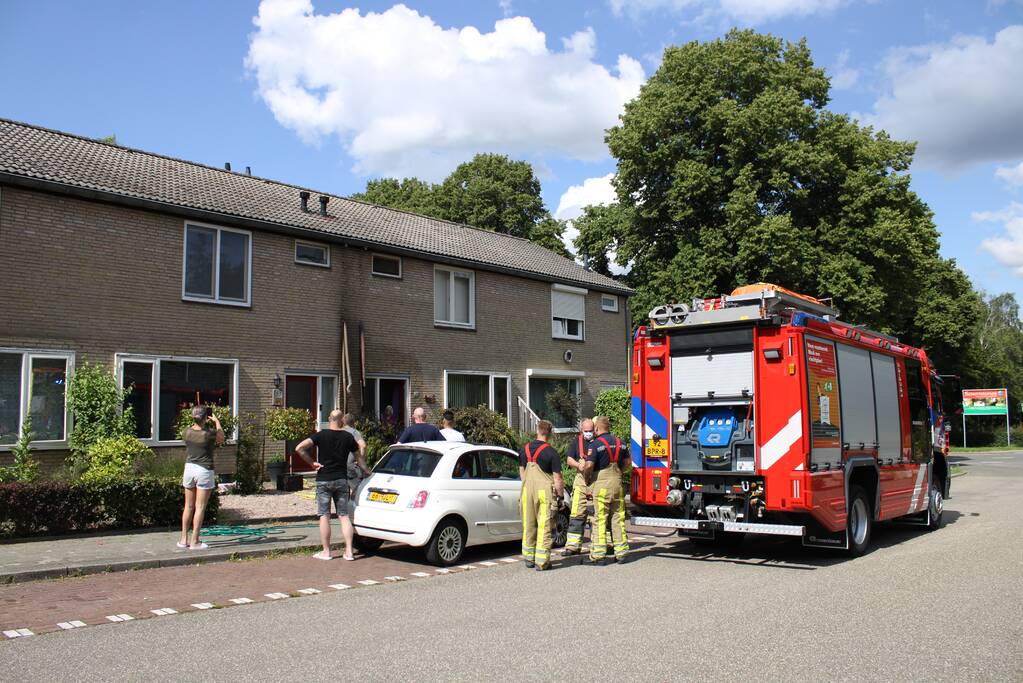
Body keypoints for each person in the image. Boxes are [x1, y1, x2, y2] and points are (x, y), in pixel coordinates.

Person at [295, 410, 359, 561]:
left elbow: (299, 448)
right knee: (343, 516)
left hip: (324, 479)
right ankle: (349, 552)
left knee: (324, 516)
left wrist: (311, 463)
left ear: (329, 419)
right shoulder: (348, 437)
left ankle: (326, 552)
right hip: (342, 480)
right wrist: (366, 470)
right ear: (342, 421)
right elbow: (359, 456)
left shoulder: (320, 435)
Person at [583, 416, 630, 564]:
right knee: (618, 518)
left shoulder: (595, 444)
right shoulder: (620, 442)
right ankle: (621, 553)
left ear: (597, 428)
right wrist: (620, 473)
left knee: (599, 519)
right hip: (617, 484)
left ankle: (598, 555)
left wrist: (587, 478)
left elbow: (589, 465)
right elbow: (628, 463)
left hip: (602, 485)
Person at [518, 419, 564, 571]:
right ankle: (542, 562)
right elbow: (557, 478)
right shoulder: (552, 453)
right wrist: (560, 496)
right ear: (549, 434)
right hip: (544, 492)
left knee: (528, 524)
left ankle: (528, 558)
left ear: (537, 430)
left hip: (526, 491)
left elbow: (522, 473)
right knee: (544, 525)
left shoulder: (524, 449)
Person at [178, 406, 224, 550]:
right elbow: (221, 438)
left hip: (189, 469)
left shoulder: (186, 432)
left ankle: (183, 539)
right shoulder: (208, 433)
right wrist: (216, 422)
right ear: (205, 418)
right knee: (200, 507)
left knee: (188, 506)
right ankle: (195, 541)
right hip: (204, 470)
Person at [562, 417, 595, 555]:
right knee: (576, 513)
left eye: (591, 431)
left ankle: (599, 546)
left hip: (595, 481)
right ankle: (573, 546)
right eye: (586, 431)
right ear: (582, 430)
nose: (589, 433)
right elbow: (569, 459)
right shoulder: (577, 442)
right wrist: (578, 465)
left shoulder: (599, 442)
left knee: (595, 514)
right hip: (580, 480)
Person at [341, 413, 371, 490]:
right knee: (357, 490)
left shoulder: (338, 431)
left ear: (343, 421)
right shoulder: (354, 432)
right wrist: (361, 460)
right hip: (350, 465)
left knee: (343, 493)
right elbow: (363, 445)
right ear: (353, 422)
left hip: (339, 466)